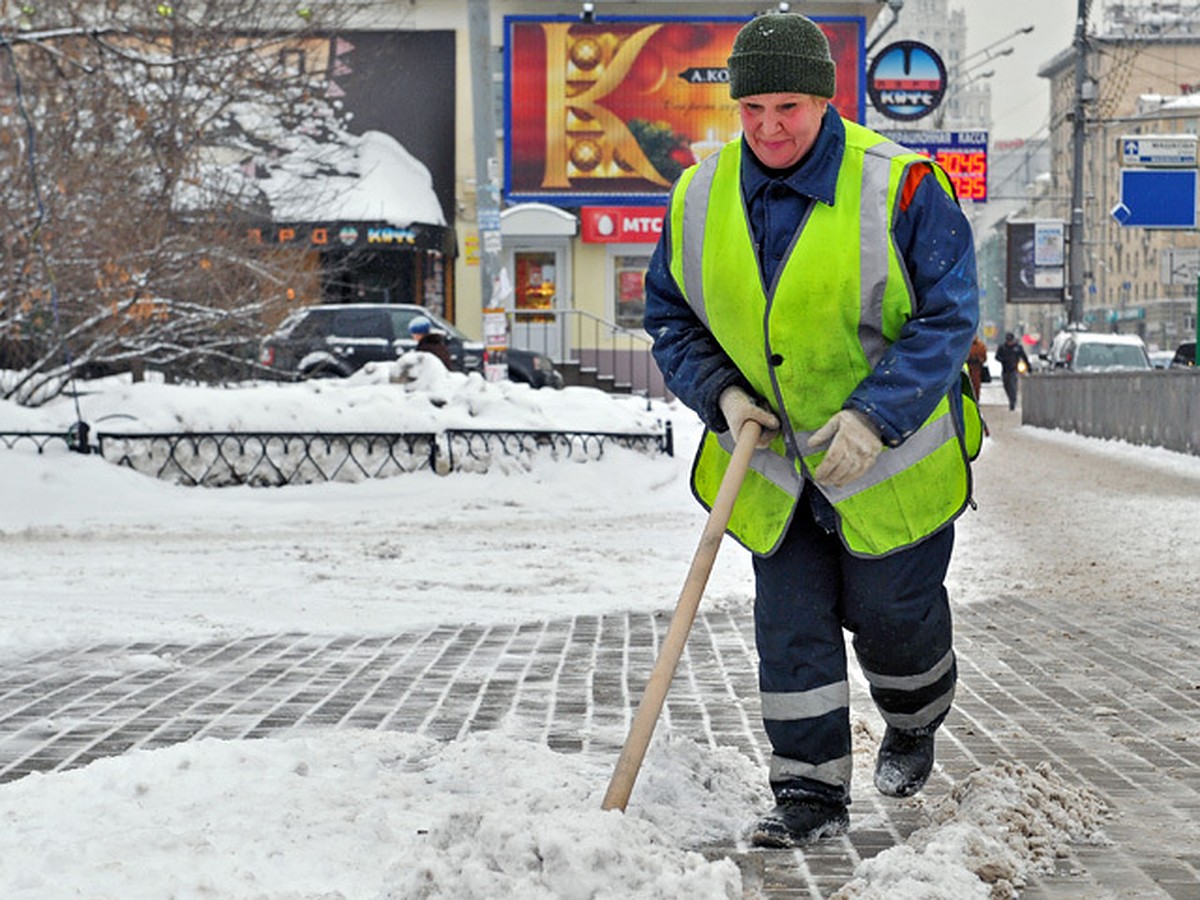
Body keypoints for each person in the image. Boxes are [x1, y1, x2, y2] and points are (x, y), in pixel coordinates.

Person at [643, 13, 981, 849]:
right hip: (775, 471)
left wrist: (877, 414)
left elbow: (948, 316)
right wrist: (719, 394)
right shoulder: (696, 196)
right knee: (790, 631)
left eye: (787, 105)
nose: (768, 127)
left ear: (825, 100)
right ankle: (809, 791)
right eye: (750, 107)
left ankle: (914, 717)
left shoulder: (901, 187)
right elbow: (670, 316)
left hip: (886, 465)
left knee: (893, 619)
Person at [994, 332, 1030, 411]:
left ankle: (1012, 402)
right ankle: (1011, 398)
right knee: (1006, 386)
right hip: (1005, 370)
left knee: (1013, 387)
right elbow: (997, 357)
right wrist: (1003, 360)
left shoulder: (1017, 348)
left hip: (1014, 370)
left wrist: (1028, 367)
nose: (1009, 342)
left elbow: (1024, 357)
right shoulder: (1002, 348)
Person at [967, 335, 988, 400]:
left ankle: (975, 400)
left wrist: (978, 359)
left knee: (975, 386)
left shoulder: (980, 346)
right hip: (968, 369)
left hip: (976, 369)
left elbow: (984, 358)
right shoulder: (967, 345)